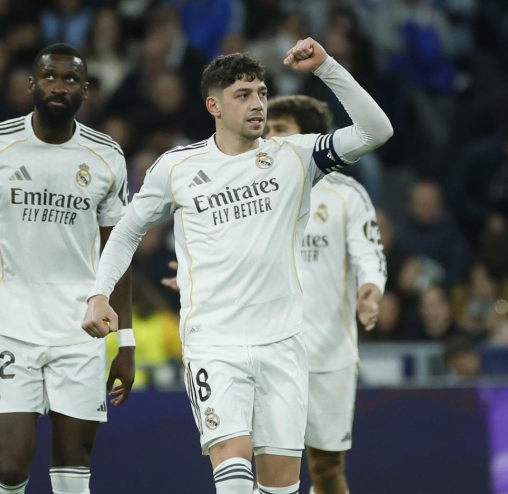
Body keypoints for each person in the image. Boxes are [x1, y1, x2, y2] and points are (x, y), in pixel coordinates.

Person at [82, 38, 392, 494]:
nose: (258, 104)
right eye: (243, 95)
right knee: (232, 478)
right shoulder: (178, 167)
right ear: (214, 106)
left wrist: (326, 66)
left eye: (262, 93)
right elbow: (127, 231)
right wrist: (98, 293)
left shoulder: (296, 158)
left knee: (280, 487)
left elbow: (376, 131)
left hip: (284, 345)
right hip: (214, 344)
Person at [165, 94, 387, 494]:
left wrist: (370, 290)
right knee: (250, 459)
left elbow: (370, 254)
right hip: (260, 344)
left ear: (311, 137)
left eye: (280, 129)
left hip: (326, 354)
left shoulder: (346, 195)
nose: (269, 136)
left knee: (325, 469)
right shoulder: (253, 188)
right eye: (267, 129)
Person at [0, 43, 134, 494]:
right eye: (50, 76)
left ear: (85, 91)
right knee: (11, 467)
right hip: (10, 325)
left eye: (71, 79)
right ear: (31, 84)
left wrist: (125, 341)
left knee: (72, 470)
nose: (59, 86)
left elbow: (118, 250)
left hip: (82, 330)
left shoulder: (106, 155)